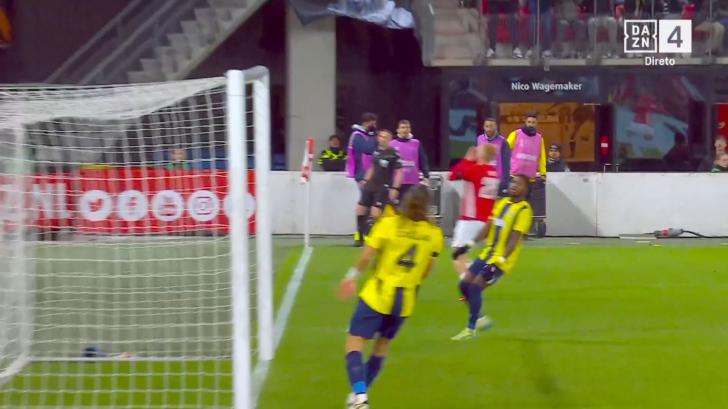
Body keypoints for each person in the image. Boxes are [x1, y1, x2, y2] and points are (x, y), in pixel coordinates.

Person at [338, 185, 444, 409]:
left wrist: (350, 278)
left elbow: (366, 256)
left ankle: (360, 396)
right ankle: (359, 396)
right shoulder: (434, 234)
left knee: (354, 342)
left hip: (378, 295)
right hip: (404, 301)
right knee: (381, 346)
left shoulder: (389, 224)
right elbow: (427, 269)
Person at [451, 175, 533, 341]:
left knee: (475, 288)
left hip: (500, 260)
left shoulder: (524, 210)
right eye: (512, 182)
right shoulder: (502, 203)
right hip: (486, 254)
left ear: (525, 190)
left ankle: (471, 329)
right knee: (463, 286)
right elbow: (488, 227)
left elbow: (514, 240)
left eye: (518, 183)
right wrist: (468, 245)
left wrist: (499, 262)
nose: (513, 185)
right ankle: (481, 318)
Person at [449, 144, 499, 279]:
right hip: (487, 220)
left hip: (471, 218)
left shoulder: (476, 169)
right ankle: (476, 276)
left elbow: (453, 175)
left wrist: (467, 160)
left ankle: (467, 283)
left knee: (458, 253)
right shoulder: (494, 172)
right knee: (470, 254)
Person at [355, 129, 403, 245]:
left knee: (375, 212)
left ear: (390, 139)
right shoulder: (376, 151)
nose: (382, 139)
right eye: (380, 136)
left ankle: (378, 237)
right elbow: (372, 167)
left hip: (383, 186)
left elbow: (399, 172)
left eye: (385, 137)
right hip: (370, 185)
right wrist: (365, 179)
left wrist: (395, 188)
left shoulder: (394, 153)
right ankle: (360, 237)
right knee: (360, 209)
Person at [347, 112, 379, 246]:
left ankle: (364, 234)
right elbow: (367, 149)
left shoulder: (370, 135)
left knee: (369, 204)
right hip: (362, 175)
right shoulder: (357, 135)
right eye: (373, 122)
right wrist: (374, 139)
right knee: (364, 204)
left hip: (374, 174)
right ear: (367, 122)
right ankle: (360, 235)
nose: (375, 125)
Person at [390, 120, 430, 198]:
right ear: (398, 130)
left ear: (410, 129)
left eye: (407, 127)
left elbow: (423, 161)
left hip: (413, 182)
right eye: (403, 127)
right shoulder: (392, 144)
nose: (405, 130)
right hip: (396, 183)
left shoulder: (416, 143)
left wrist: (426, 176)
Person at [507, 112, 547, 183]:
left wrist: (543, 173)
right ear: (525, 122)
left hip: (530, 178)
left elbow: (542, 157)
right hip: (515, 176)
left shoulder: (539, 138)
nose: (531, 124)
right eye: (529, 122)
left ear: (536, 124)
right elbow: (505, 151)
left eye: (533, 122)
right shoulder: (516, 134)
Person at [477, 117, 511, 196]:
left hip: (497, 182)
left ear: (495, 127)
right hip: (482, 180)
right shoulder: (479, 139)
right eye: (487, 126)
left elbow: (506, 164)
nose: (488, 129)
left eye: (491, 126)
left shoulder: (503, 142)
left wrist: (504, 182)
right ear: (483, 127)